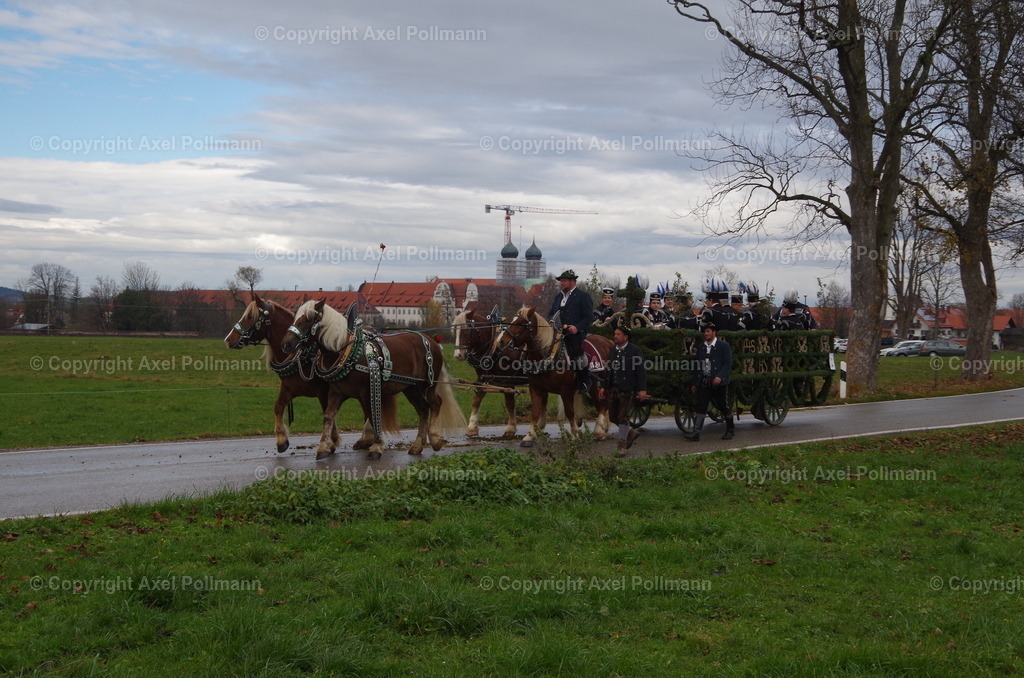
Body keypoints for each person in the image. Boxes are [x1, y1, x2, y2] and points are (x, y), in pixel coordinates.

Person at [598, 324, 648, 456]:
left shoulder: (635, 351)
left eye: (618, 334)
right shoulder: (613, 350)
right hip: (613, 387)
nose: (615, 336)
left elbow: (640, 371)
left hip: (627, 388)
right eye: (615, 334)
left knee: (623, 417)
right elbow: (608, 370)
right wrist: (603, 386)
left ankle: (622, 446)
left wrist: (642, 389)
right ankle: (631, 432)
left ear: (626, 337)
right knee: (613, 416)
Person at [684, 322, 735, 441]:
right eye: (704, 332)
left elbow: (727, 364)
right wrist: (695, 383)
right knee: (701, 406)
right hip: (704, 381)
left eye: (708, 331)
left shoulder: (723, 346)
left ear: (714, 332)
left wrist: (720, 376)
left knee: (722, 405)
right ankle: (696, 433)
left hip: (718, 382)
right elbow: (698, 366)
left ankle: (730, 429)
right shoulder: (701, 347)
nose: (705, 334)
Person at [548, 269, 594, 393]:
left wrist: (577, 327)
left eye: (563, 281)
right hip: (558, 333)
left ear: (572, 281)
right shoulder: (558, 297)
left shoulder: (583, 296)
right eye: (560, 281)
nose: (561, 283)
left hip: (575, 334)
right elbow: (551, 314)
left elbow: (589, 317)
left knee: (577, 352)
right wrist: (550, 323)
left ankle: (585, 380)